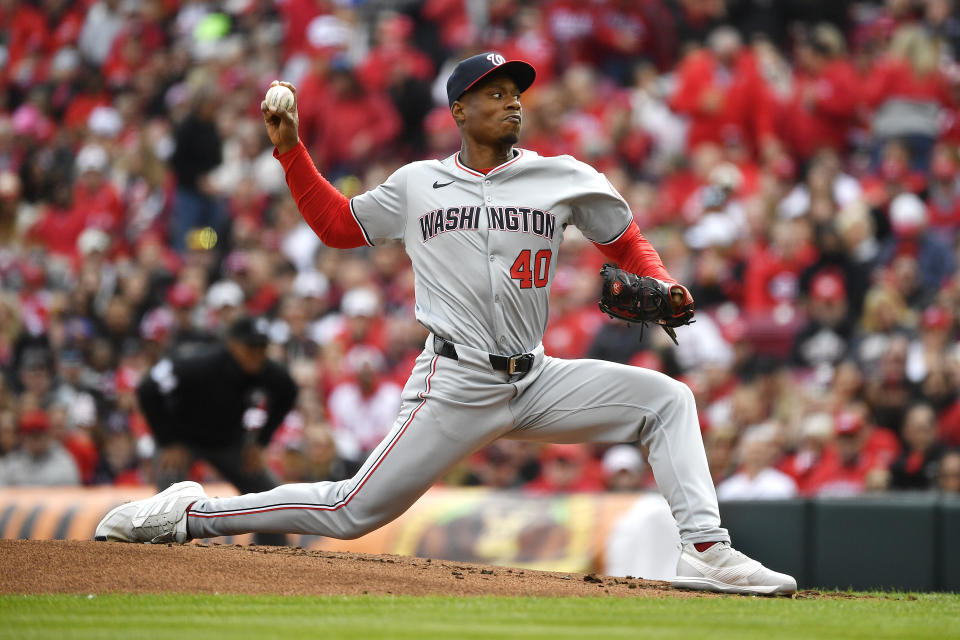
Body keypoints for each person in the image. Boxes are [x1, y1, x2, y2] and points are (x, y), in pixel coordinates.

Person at [96, 53, 796, 595]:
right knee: (349, 511)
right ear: (460, 109)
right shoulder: (417, 183)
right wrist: (291, 151)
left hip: (536, 375)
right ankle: (186, 516)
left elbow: (625, 242)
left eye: (515, 91)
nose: (511, 101)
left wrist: (665, 282)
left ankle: (706, 552)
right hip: (453, 381)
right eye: (494, 93)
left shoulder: (564, 176)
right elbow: (339, 227)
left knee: (667, 400)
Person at [133, 315, 298, 545]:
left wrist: (260, 443)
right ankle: (163, 558)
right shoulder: (200, 364)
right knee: (169, 499)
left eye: (262, 347)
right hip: (182, 440)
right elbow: (147, 388)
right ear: (233, 345)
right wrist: (168, 440)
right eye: (250, 347)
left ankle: (274, 557)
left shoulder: (268, 371)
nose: (257, 354)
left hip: (228, 442)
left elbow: (289, 393)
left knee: (269, 496)